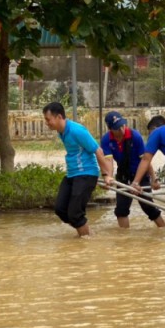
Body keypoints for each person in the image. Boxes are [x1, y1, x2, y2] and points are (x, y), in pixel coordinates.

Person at [43, 102, 112, 237]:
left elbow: (98, 150)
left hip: (86, 174)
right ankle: (87, 231)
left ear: (58, 117)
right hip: (72, 175)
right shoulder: (61, 132)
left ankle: (87, 240)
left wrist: (106, 175)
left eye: (48, 119)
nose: (47, 123)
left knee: (75, 213)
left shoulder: (77, 130)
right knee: (61, 209)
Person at [101, 111, 165, 229]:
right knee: (121, 210)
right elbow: (108, 161)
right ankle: (125, 240)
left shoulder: (135, 136)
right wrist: (108, 177)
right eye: (117, 128)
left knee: (148, 206)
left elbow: (146, 160)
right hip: (123, 175)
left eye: (122, 125)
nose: (121, 130)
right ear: (110, 129)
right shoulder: (106, 140)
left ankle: (163, 229)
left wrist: (154, 178)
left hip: (140, 174)